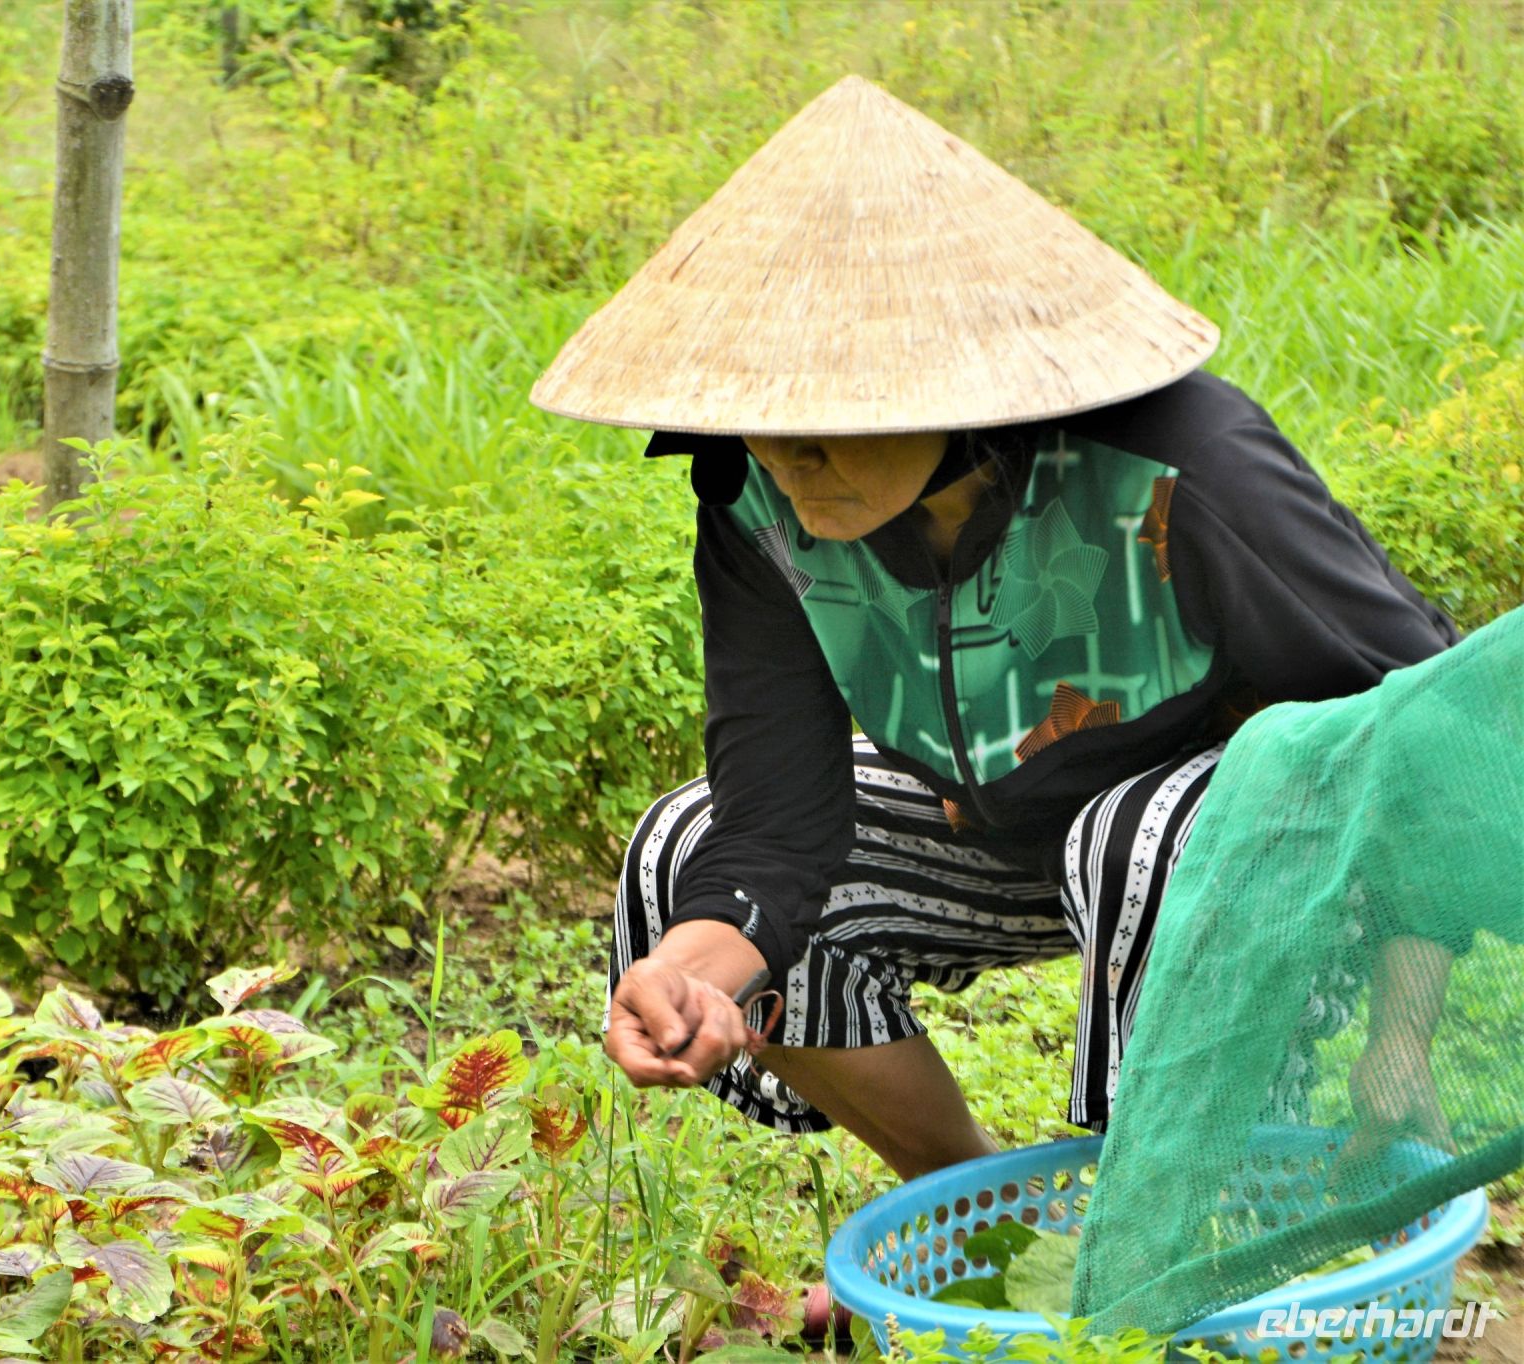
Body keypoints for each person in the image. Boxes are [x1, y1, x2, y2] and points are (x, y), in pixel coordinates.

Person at [530, 76, 1457, 1185]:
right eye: (755, 419)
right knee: (680, 849)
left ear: (960, 390)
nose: (785, 458)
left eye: (824, 421)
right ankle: (1001, 1205)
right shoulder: (759, 506)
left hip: (1241, 853)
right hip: (1014, 838)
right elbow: (774, 823)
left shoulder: (1180, 470)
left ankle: (1179, 1210)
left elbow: (1424, 733)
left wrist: (1401, 1041)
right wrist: (689, 969)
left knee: (1133, 830)